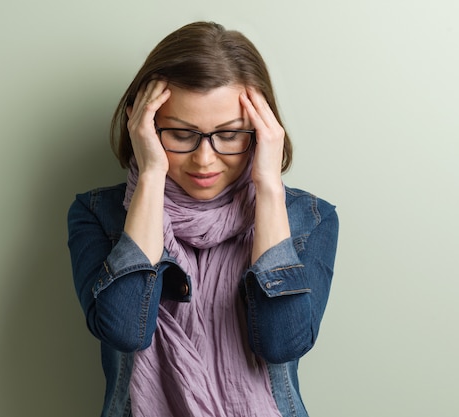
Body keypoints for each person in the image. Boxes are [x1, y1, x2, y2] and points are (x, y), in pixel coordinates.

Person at [67, 21, 339, 417]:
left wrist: (267, 186)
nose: (205, 159)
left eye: (229, 135)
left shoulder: (309, 220)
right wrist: (152, 176)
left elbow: (282, 343)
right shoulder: (98, 214)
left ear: (263, 132)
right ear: (144, 125)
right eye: (180, 133)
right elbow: (125, 331)